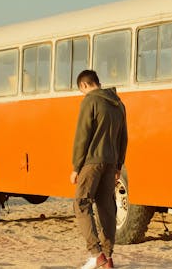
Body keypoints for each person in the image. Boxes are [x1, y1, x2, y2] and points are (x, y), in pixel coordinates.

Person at [70, 70, 128, 269]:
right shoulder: (118, 104)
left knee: (81, 204)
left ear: (84, 85)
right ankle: (108, 257)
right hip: (111, 163)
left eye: (81, 90)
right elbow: (123, 138)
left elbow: (82, 135)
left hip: (92, 162)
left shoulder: (90, 101)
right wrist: (118, 164)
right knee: (106, 208)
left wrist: (76, 166)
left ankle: (96, 254)